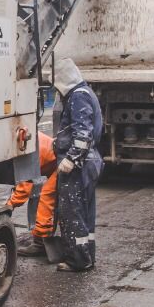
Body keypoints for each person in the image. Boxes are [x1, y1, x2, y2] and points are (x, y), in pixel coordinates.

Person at [51, 58, 103, 272]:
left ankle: (77, 260)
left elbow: (83, 133)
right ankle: (87, 255)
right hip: (89, 162)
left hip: (79, 164)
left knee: (72, 211)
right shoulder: (85, 93)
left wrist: (71, 159)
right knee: (85, 211)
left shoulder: (78, 97)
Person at [6, 132, 59, 259]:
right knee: (44, 198)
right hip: (54, 161)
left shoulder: (27, 148)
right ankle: (42, 237)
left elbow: (25, 186)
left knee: (46, 199)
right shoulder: (26, 137)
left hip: (59, 164)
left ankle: (40, 243)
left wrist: (10, 205)